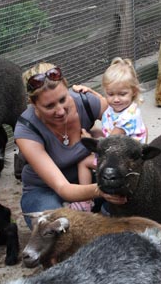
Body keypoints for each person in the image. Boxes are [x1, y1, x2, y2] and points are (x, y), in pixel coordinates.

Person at [14, 63, 125, 226]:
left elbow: (129, 119)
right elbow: (62, 188)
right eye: (49, 106)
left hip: (90, 179)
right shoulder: (26, 130)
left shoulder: (86, 102)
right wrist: (102, 189)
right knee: (56, 229)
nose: (60, 111)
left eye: (63, 99)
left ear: (68, 89)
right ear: (33, 103)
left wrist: (101, 99)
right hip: (46, 190)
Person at [73, 57, 147, 211]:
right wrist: (89, 91)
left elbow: (109, 144)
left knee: (83, 162)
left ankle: (86, 202)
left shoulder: (127, 118)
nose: (116, 99)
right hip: (118, 145)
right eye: (110, 94)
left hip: (123, 157)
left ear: (134, 91)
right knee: (94, 131)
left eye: (122, 94)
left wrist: (88, 139)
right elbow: (103, 100)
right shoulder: (121, 107)